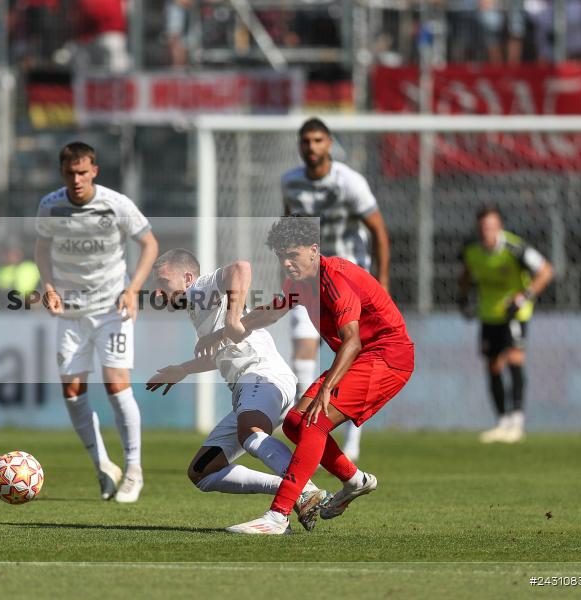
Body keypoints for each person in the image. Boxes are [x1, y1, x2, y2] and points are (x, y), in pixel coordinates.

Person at [195, 217, 414, 535]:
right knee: (297, 423)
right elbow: (271, 312)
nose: (287, 263)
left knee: (315, 421)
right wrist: (226, 332)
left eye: (293, 255)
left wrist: (328, 387)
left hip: (387, 356)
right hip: (363, 357)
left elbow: (352, 340)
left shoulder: (334, 278)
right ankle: (354, 480)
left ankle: (278, 516)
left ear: (314, 250)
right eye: (281, 256)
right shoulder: (297, 285)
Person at [146, 249, 327, 531]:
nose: (158, 293)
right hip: (251, 387)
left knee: (249, 433)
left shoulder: (200, 289)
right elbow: (221, 353)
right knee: (202, 472)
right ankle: (292, 489)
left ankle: (302, 489)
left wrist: (232, 319)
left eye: (163, 283)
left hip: (261, 375)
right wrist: (183, 369)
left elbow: (240, 267)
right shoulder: (198, 309)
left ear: (188, 278)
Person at [35, 141, 158, 503]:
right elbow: (42, 247)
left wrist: (134, 289)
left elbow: (149, 243)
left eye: (83, 172)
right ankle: (104, 466)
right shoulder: (49, 205)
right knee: (72, 392)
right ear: (63, 173)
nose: (77, 179)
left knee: (117, 385)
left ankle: (134, 470)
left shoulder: (116, 203)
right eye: (71, 173)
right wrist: (49, 286)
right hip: (71, 312)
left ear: (94, 171)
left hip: (112, 309)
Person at [280, 117, 390, 463]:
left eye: (317, 141)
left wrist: (382, 281)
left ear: (328, 143)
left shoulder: (350, 183)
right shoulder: (290, 182)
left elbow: (378, 229)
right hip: (309, 281)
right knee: (302, 345)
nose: (311, 147)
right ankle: (305, 423)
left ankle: (352, 439)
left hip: (348, 280)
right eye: (306, 141)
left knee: (352, 352)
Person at [458, 207, 553, 444]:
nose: (487, 232)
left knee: (514, 358)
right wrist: (463, 298)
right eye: (483, 228)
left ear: (499, 227)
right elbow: (467, 274)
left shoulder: (515, 248)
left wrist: (523, 297)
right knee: (493, 365)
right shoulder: (471, 250)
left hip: (514, 312)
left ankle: (517, 422)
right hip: (489, 314)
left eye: (491, 227)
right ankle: (502, 421)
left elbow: (546, 271)